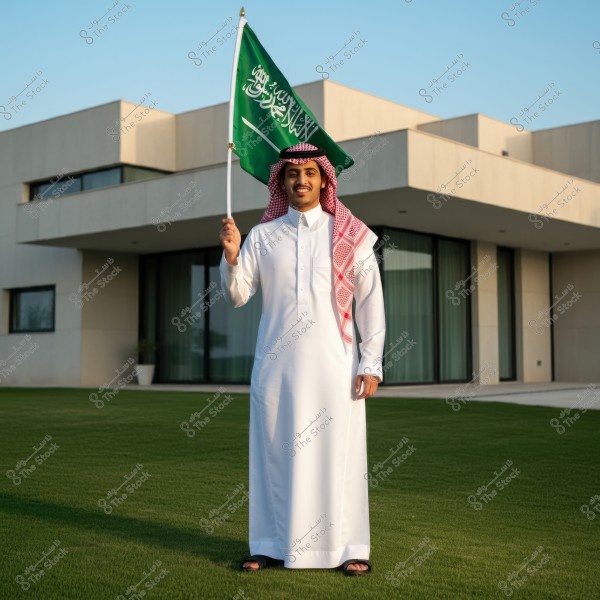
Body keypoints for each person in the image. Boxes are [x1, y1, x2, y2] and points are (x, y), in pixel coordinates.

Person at [218, 143, 385, 575]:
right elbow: (238, 296)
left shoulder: (350, 235)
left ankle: (349, 548)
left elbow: (370, 305)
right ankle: (269, 544)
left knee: (340, 456)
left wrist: (371, 362)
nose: (301, 181)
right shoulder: (263, 235)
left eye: (310, 173)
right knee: (273, 452)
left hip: (335, 367)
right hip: (275, 366)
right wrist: (233, 255)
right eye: (293, 174)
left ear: (325, 180)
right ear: (281, 182)